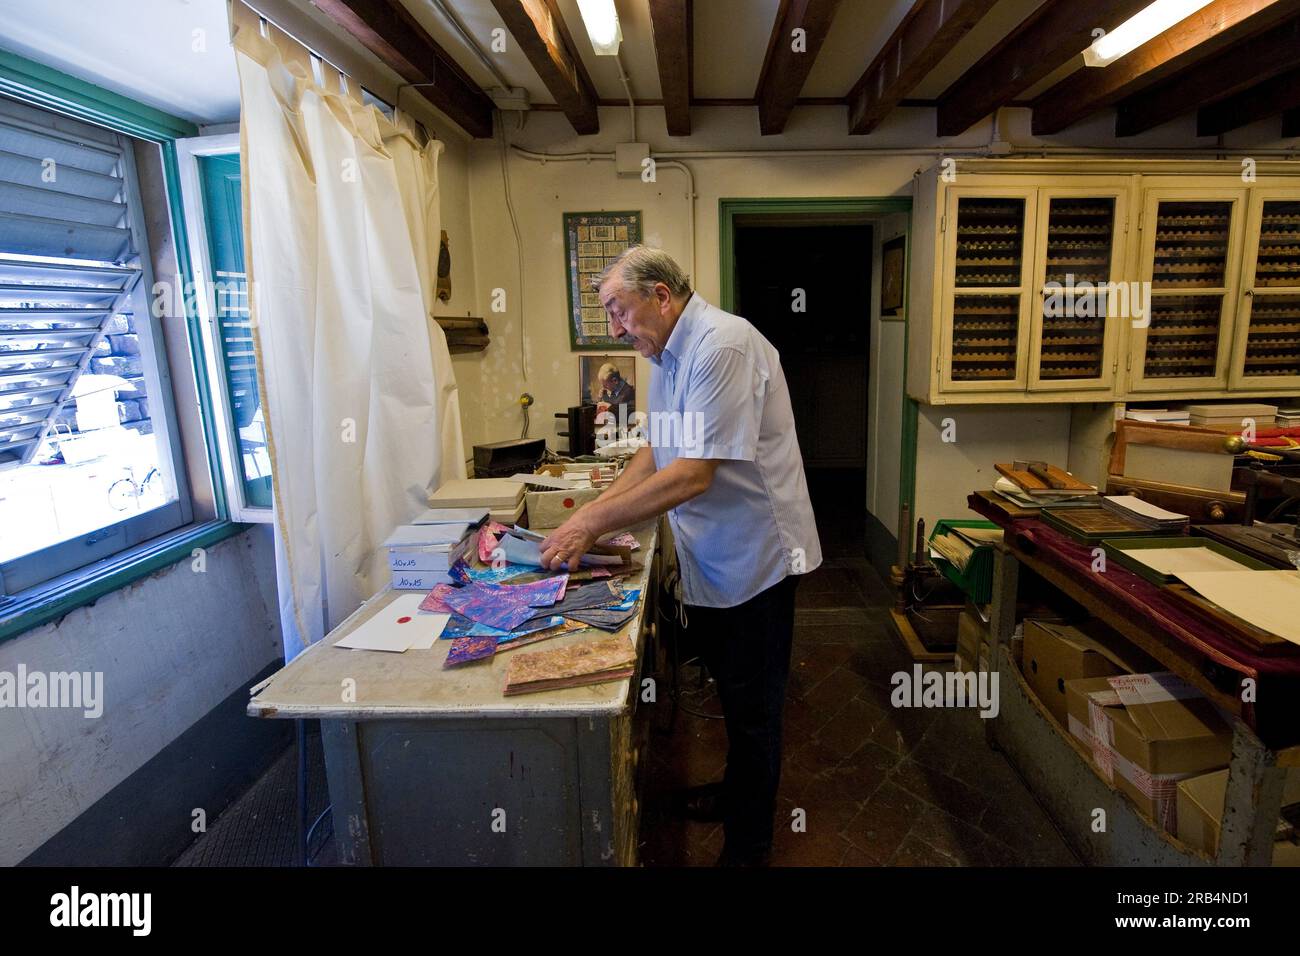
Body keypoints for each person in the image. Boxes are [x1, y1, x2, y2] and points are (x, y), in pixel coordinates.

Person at [540, 246, 822, 866]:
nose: (615, 327)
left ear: (661, 295)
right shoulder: (665, 352)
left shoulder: (723, 345)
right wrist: (592, 510)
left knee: (755, 713)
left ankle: (749, 848)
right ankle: (734, 794)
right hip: (716, 558)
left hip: (757, 558)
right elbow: (658, 451)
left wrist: (591, 522)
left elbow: (693, 474)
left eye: (619, 310)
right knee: (730, 695)